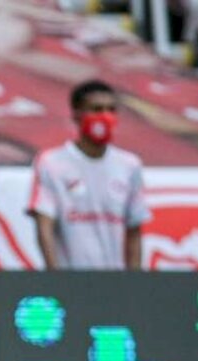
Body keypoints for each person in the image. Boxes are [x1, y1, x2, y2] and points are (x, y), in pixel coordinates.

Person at [27, 80, 151, 270]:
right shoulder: (52, 162)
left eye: (111, 110)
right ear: (77, 114)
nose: (105, 117)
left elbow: (134, 229)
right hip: (71, 281)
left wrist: (133, 283)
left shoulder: (129, 165)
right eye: (96, 109)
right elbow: (45, 225)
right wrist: (54, 278)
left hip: (114, 282)